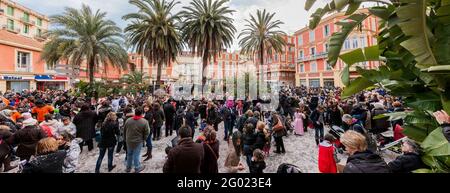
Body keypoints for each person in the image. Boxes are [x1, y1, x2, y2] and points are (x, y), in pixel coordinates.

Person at [123, 107, 150, 173]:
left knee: (129, 154)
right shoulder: (144, 121)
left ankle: (128, 168)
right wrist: (144, 139)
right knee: (136, 155)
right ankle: (137, 167)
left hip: (129, 140)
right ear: (141, 113)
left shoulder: (128, 120)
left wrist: (125, 138)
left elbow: (124, 130)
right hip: (138, 141)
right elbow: (147, 132)